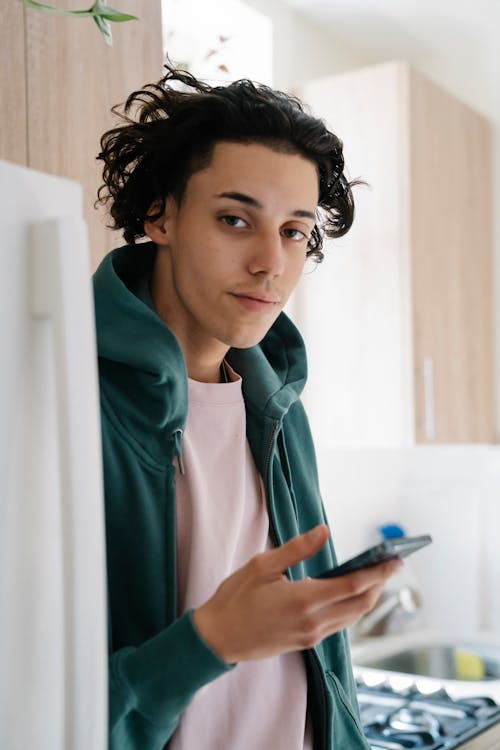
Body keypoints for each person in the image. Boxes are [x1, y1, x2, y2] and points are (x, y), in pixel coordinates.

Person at [93, 65, 402, 750]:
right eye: (236, 220)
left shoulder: (280, 403)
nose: (271, 262)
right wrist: (211, 641)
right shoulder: (72, 405)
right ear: (159, 214)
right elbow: (37, 709)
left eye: (294, 231)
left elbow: (323, 673)